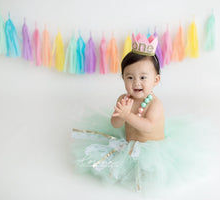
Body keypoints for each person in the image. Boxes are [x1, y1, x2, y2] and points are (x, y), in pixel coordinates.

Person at [72, 33, 204, 194]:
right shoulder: (124, 99)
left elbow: (148, 126)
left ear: (156, 80)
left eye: (143, 77)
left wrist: (128, 115)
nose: (136, 83)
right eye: (130, 77)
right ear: (122, 78)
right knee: (117, 165)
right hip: (129, 143)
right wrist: (120, 115)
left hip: (151, 148)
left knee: (149, 169)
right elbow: (115, 124)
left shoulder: (155, 104)